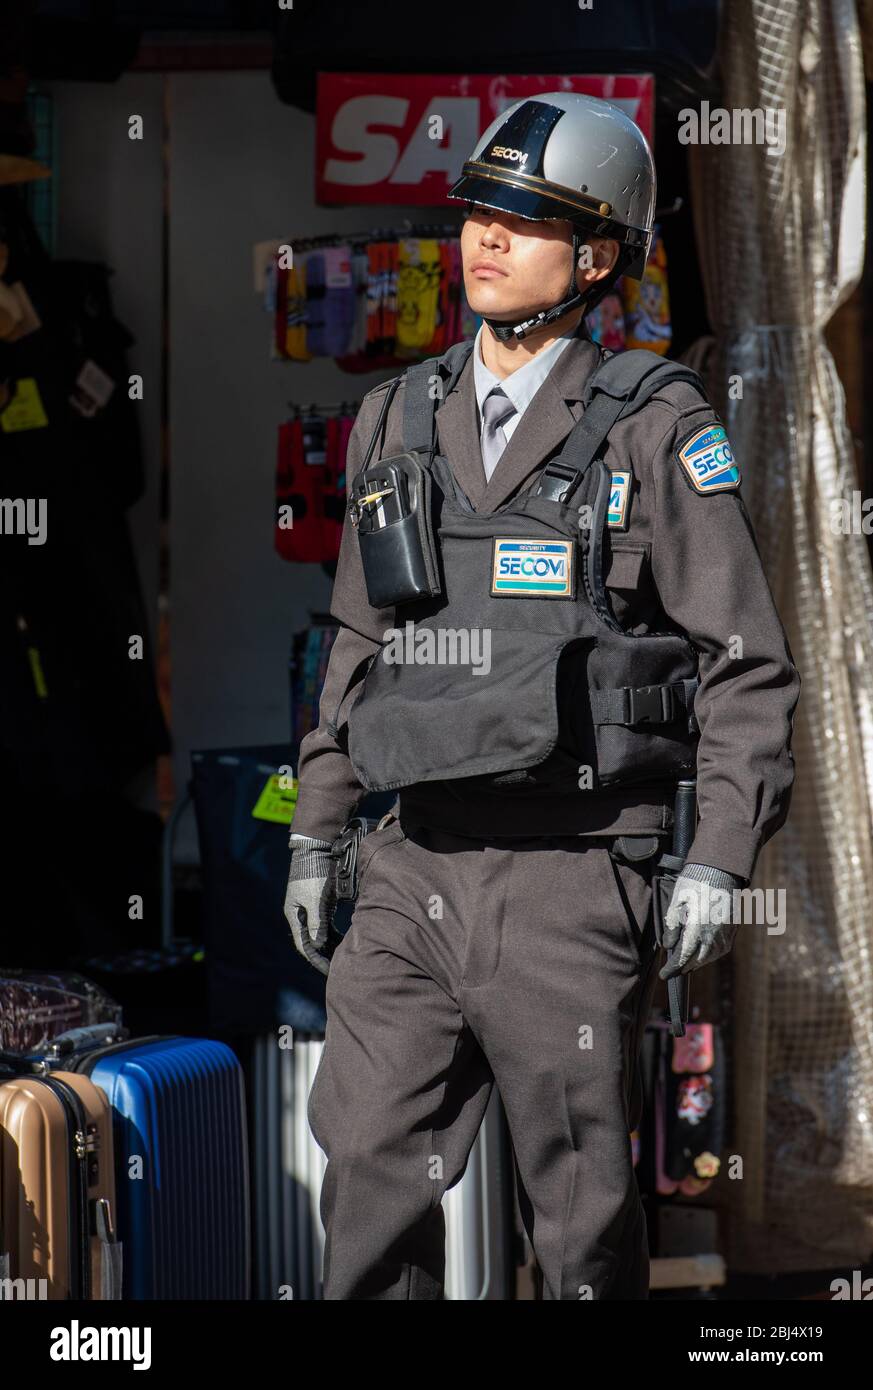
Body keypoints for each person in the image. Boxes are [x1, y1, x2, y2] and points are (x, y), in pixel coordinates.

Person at [284, 91, 801, 1300]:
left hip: (573, 876)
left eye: (527, 218)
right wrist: (317, 833)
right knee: (365, 1164)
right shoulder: (392, 419)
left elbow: (746, 660)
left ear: (600, 255)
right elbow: (356, 640)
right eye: (480, 211)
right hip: (412, 866)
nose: (487, 237)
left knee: (578, 1219)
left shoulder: (657, 425)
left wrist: (719, 855)